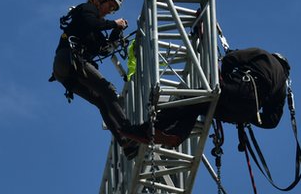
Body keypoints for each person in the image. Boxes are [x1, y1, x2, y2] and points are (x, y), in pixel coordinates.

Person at [123, 47, 291, 147]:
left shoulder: (262, 54)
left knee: (194, 99)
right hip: (244, 112)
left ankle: (153, 129)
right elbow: (271, 121)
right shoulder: (282, 86)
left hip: (237, 88)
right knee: (200, 104)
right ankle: (175, 136)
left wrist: (223, 81)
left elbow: (230, 59)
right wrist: (251, 117)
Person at [51, 0, 142, 149]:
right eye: (110, 6)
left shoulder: (93, 25)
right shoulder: (87, 9)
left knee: (101, 100)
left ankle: (126, 144)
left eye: (113, 9)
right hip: (70, 60)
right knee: (107, 90)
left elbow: (102, 48)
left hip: (65, 72)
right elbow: (91, 22)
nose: (109, 11)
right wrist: (114, 24)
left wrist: (115, 33)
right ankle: (129, 131)